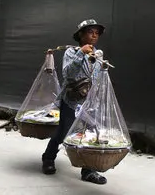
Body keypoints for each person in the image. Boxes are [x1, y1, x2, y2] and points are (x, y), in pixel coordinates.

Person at [41, 19, 108, 185]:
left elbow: (97, 78)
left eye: (97, 33)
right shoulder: (71, 52)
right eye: (90, 31)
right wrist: (81, 54)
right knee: (64, 133)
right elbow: (67, 73)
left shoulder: (98, 54)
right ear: (81, 35)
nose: (94, 35)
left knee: (89, 136)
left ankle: (89, 171)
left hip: (91, 103)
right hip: (72, 101)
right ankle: (48, 158)